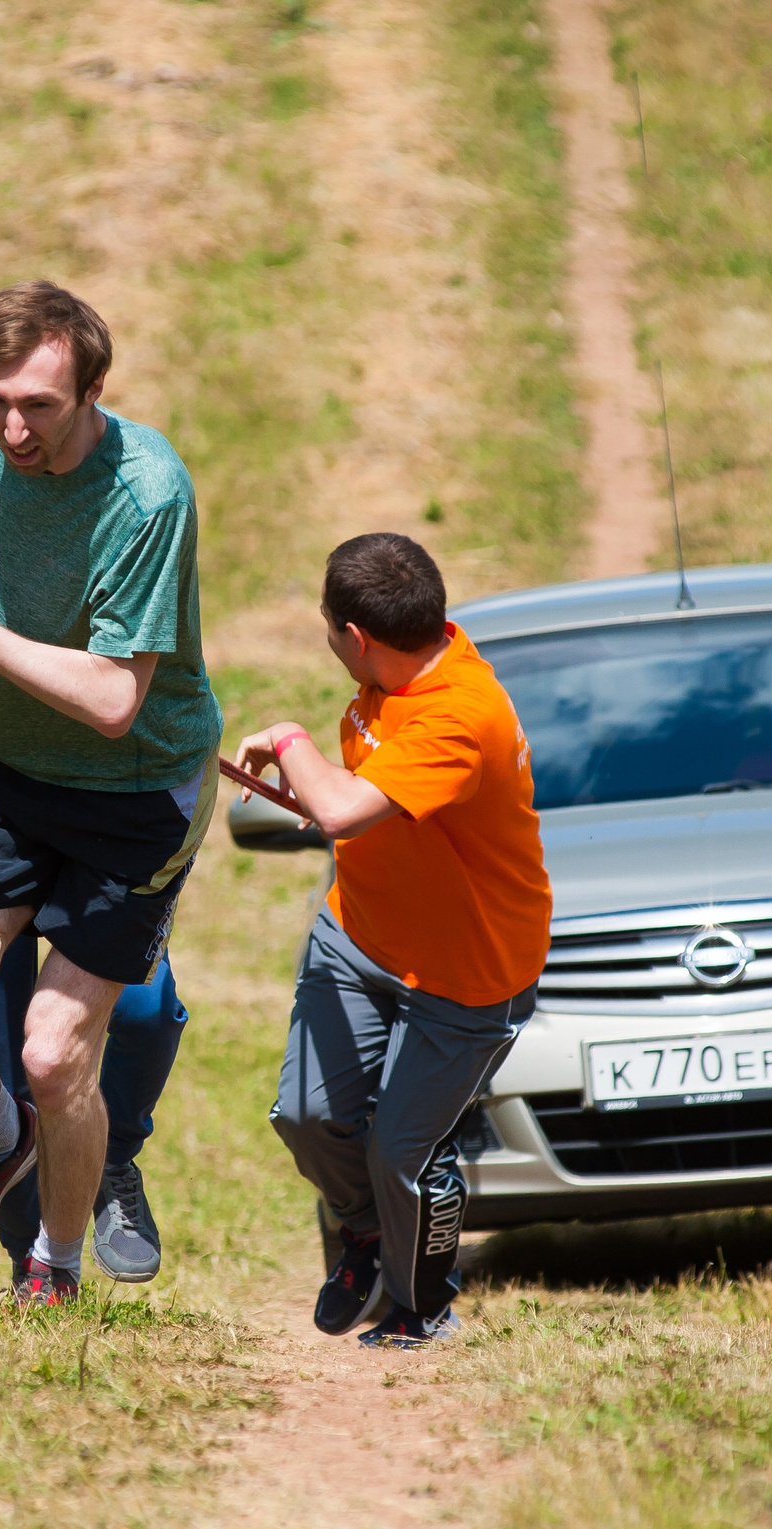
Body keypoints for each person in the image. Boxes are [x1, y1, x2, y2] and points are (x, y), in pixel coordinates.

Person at [0, 281, 221, 1306]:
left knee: (54, 1049)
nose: (13, 429)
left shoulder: (148, 495)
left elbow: (117, 699)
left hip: (137, 791)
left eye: (39, 406)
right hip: (11, 772)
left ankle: (54, 1269)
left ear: (93, 389)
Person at [239, 533, 550, 1349]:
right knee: (306, 1115)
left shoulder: (461, 713)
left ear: (357, 637)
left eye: (326, 626)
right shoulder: (408, 667)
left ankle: (421, 1308)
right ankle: (364, 1238)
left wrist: (288, 739)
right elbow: (356, 808)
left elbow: (342, 810)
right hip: (359, 937)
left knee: (404, 1152)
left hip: (467, 971)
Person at [0, 622, 188, 1286]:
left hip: (86, 860)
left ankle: (113, 1156)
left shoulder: (135, 647)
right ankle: (33, 1250)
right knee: (7, 1063)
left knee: (145, 1013)